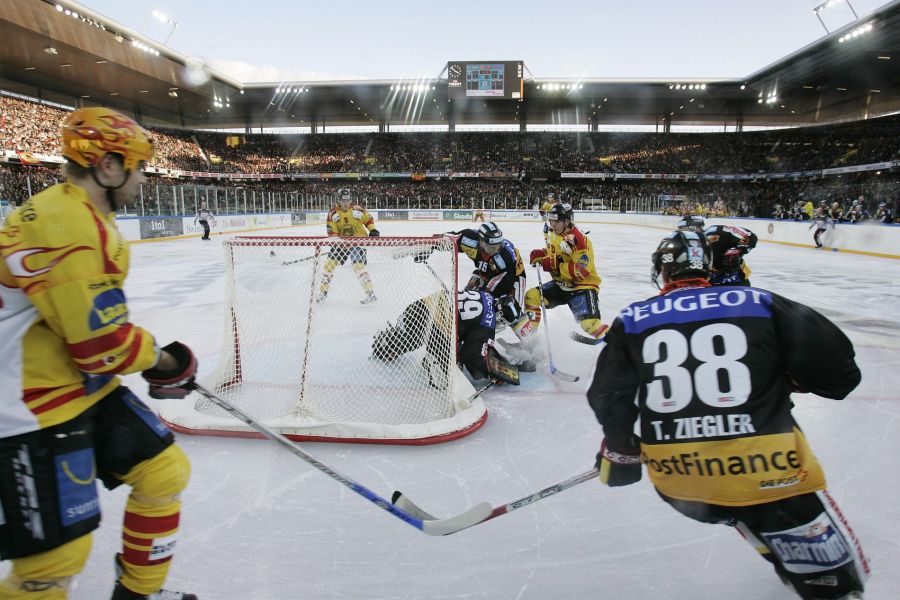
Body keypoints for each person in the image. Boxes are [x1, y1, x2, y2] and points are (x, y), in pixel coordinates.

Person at [587, 230, 869, 600]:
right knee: (832, 578)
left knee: (734, 506)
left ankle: (765, 535)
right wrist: (791, 379)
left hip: (682, 485)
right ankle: (816, 573)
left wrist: (622, 452)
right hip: (771, 473)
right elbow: (840, 374)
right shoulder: (759, 302)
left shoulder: (634, 318)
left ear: (662, 272)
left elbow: (609, 395)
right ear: (709, 267)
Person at [0, 107, 198, 599]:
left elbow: (95, 333)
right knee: (53, 561)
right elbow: (100, 347)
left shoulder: (82, 214)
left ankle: (137, 593)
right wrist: (166, 362)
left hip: (71, 385)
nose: (143, 178)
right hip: (24, 406)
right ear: (108, 167)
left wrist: (148, 357)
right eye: (139, 166)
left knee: (163, 471)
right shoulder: (64, 223)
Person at [371, 289, 521, 387]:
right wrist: (488, 373)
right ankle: (431, 360)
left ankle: (389, 340)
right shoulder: (488, 321)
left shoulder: (486, 295)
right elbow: (471, 355)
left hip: (420, 307)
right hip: (430, 323)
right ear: (500, 313)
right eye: (503, 320)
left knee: (413, 340)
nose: (501, 324)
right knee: (447, 377)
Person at [526, 203, 607, 342]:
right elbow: (556, 253)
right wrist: (542, 254)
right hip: (561, 285)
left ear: (567, 221)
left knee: (590, 325)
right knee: (531, 297)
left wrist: (552, 264)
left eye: (556, 221)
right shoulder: (555, 233)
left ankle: (619, 347)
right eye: (551, 220)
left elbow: (582, 271)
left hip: (582, 286)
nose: (552, 224)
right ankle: (529, 343)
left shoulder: (577, 240)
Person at [445, 222, 528, 337]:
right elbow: (448, 238)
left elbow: (504, 283)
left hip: (513, 276)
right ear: (481, 242)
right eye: (492, 247)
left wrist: (487, 298)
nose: (496, 250)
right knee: (470, 297)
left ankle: (530, 340)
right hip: (485, 272)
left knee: (511, 307)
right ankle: (468, 329)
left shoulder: (505, 257)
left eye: (498, 246)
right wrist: (428, 246)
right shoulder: (468, 239)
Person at [317, 189, 379, 304]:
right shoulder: (333, 213)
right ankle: (323, 293)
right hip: (341, 244)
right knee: (328, 265)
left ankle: (370, 293)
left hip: (358, 242)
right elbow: (332, 234)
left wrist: (373, 229)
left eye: (348, 200)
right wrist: (340, 244)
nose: (346, 203)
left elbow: (368, 220)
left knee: (357, 265)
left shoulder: (357, 210)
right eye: (343, 200)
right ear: (339, 200)